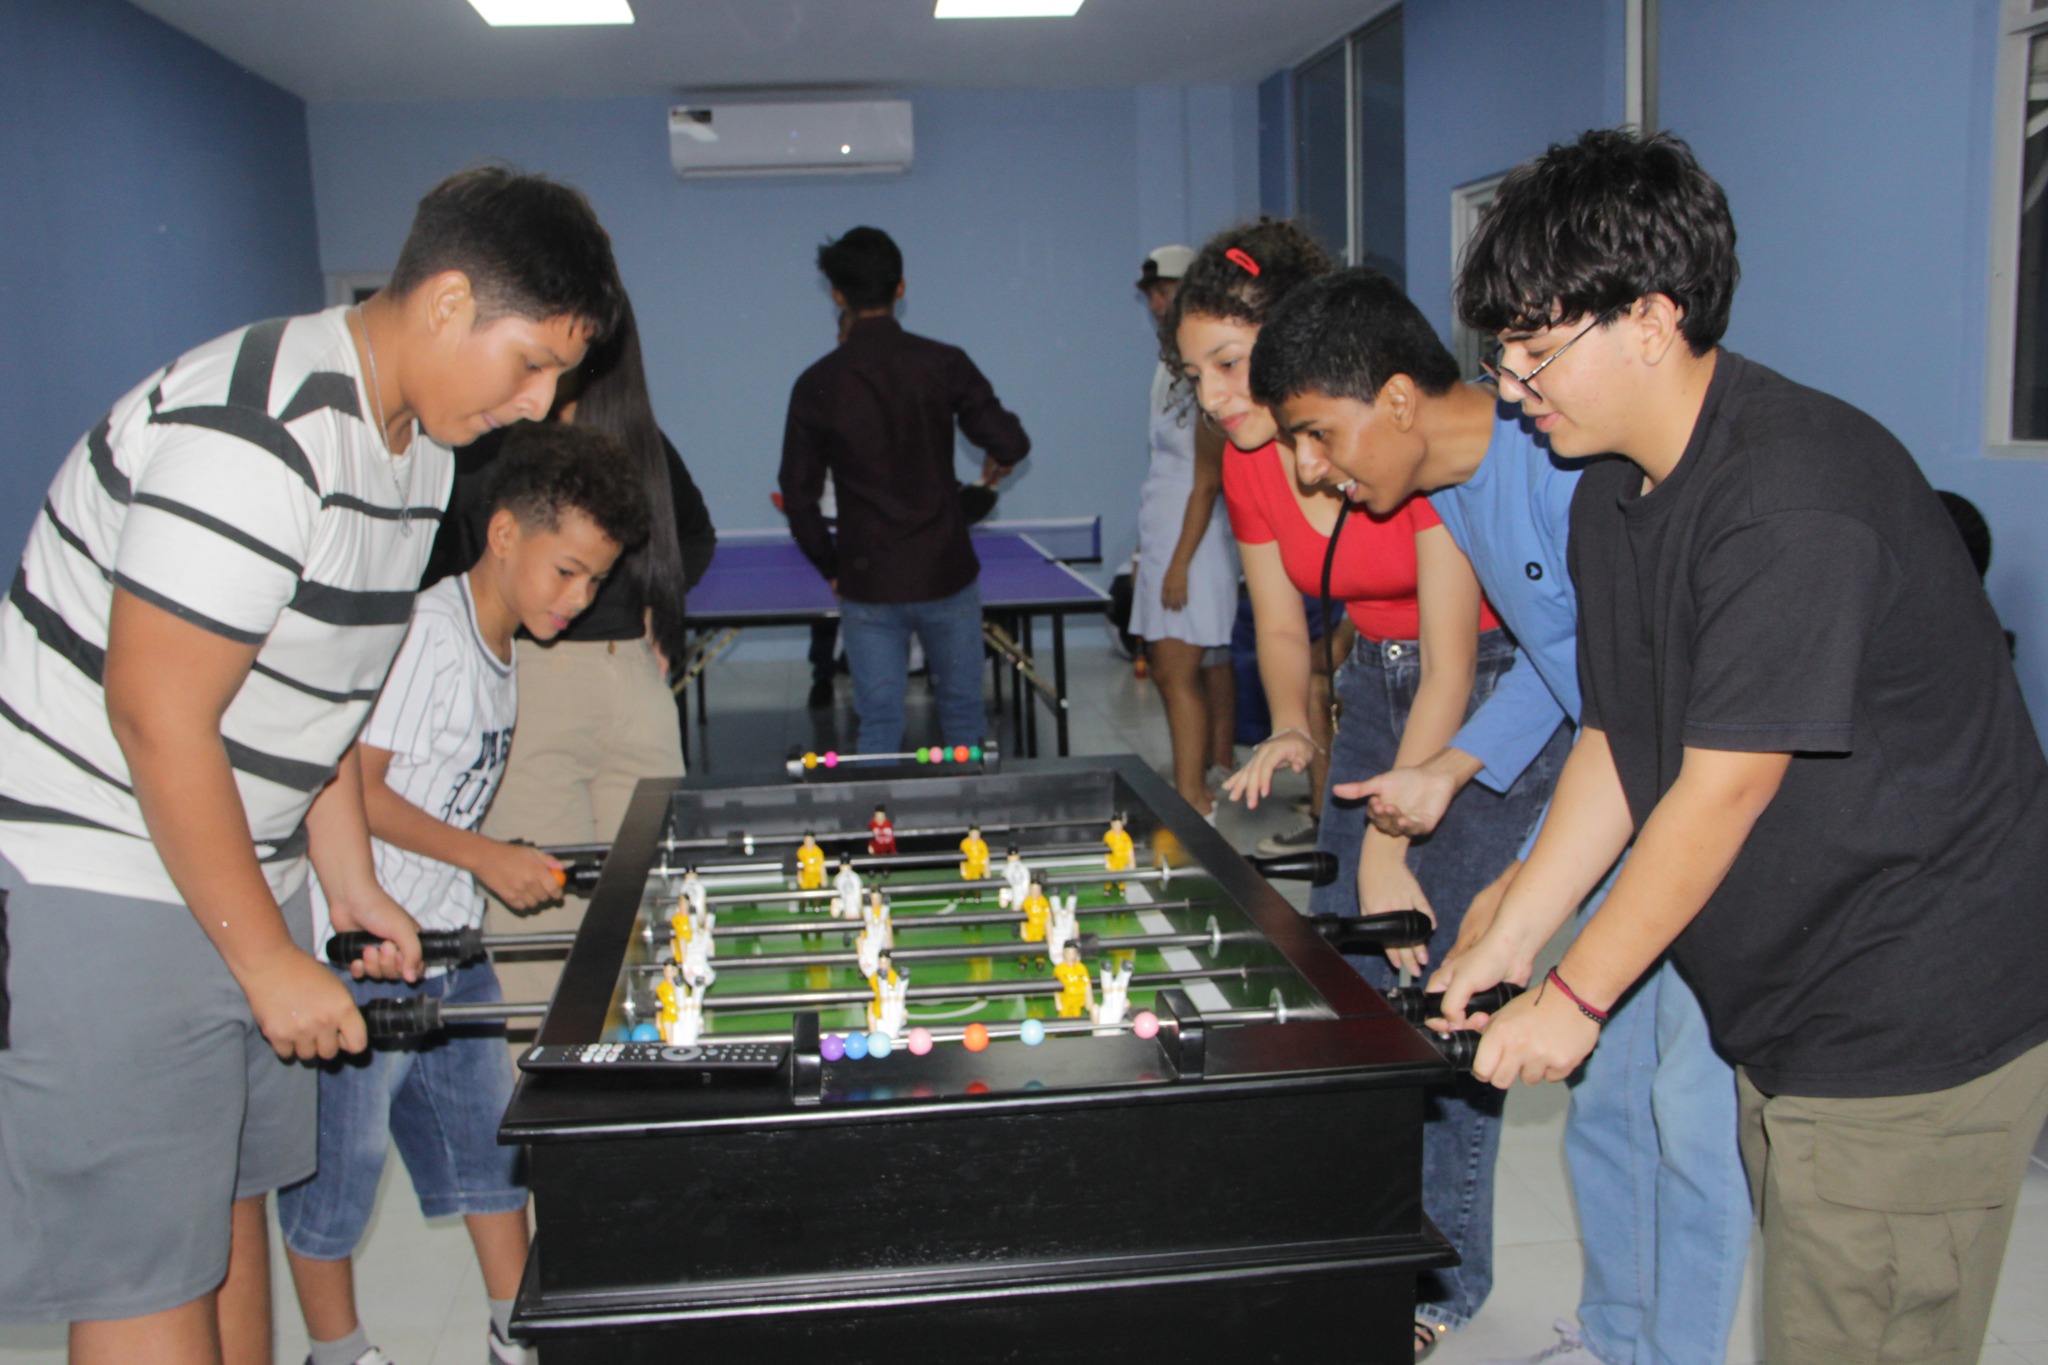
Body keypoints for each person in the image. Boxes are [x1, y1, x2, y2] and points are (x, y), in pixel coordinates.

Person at [1431, 129, 2048, 1365]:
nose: (1508, 387)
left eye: (1532, 351)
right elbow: (1621, 733)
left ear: (1650, 320)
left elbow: (1720, 791)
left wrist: (1576, 995)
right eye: (1497, 352)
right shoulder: (1612, 490)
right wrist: (1516, 923)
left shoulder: (1788, 498)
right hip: (1791, 998)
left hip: (1909, 1008)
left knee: (1855, 1336)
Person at [0, 166, 620, 1364]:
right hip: (106, 870)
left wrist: (348, 888)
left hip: (245, 863)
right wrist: (264, 957)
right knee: (147, 1274)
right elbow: (156, 716)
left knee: (228, 1219)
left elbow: (320, 711)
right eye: (530, 363)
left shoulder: (416, 457)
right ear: (447, 302)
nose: (541, 404)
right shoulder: (258, 433)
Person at [1251, 266, 1737, 1365]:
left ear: (1396, 401)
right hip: (1618, 786)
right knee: (1609, 1098)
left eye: (1317, 434)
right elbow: (1567, 664)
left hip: (1695, 807)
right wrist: (1453, 765)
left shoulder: (1571, 470)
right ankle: (1617, 1337)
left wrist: (1519, 890)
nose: (1309, 469)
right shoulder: (1455, 493)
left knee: (1687, 1110)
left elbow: (1633, 699)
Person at [1176, 221, 1545, 1353]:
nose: (1212, 397)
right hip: (1376, 682)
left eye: (1228, 365)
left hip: (1477, 678)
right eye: (1193, 374)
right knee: (1347, 974)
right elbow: (1284, 626)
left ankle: (1435, 1279)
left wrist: (1388, 843)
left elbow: (1449, 664)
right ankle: (1357, 1230)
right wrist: (1294, 725)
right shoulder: (1257, 461)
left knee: (1436, 980)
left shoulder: (1403, 437)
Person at [279, 423, 647, 1365]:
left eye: (596, 580)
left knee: (495, 1159)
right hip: (359, 957)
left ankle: (513, 1334)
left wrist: (490, 859)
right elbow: (356, 789)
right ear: (504, 534)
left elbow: (440, 794)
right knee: (337, 1186)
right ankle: (337, 1351)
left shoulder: (502, 647)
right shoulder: (430, 635)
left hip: (450, 947)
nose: (579, 597)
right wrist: (484, 855)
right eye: (566, 571)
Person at [427, 294, 716, 1010]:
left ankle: (644, 1057)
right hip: (540, 686)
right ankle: (541, 1074)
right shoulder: (496, 439)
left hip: (623, 680)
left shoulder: (631, 438)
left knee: (649, 905)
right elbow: (456, 558)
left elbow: (694, 536)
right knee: (545, 917)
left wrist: (651, 603)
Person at [779, 226, 1031, 753]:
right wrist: (1001, 457)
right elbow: (1010, 441)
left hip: (869, 581)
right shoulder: (943, 363)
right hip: (946, 572)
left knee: (878, 727)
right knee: (964, 720)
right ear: (900, 287)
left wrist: (831, 565)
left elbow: (798, 496)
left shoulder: (816, 383)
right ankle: (969, 808)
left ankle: (881, 809)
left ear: (838, 295)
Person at [1130, 245, 1238, 815]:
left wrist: (1176, 563)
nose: (1156, 302)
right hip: (1168, 537)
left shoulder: (1205, 371)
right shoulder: (1168, 366)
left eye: (1166, 291)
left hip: (1192, 545)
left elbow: (1206, 481)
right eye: (1151, 293)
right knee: (1199, 667)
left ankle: (1192, 795)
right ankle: (1208, 773)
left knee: (1176, 675)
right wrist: (1147, 553)